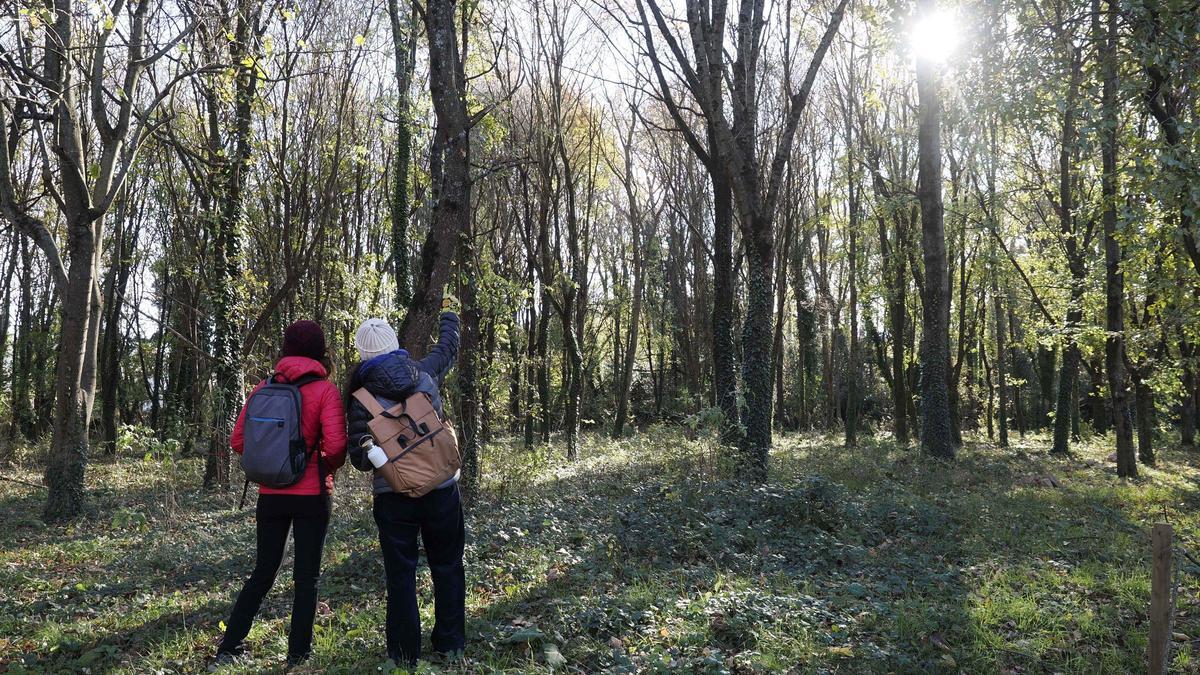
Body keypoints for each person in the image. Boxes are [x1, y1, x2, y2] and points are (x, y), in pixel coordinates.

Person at [216, 320, 347, 667]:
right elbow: (335, 446)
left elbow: (239, 441)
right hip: (312, 495)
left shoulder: (263, 387)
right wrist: (320, 465)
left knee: (263, 572)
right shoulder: (325, 391)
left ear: (286, 349)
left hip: (270, 494)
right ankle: (298, 655)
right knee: (307, 577)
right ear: (321, 351)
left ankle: (229, 647)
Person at [346, 300, 463, 667]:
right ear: (395, 343)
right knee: (447, 565)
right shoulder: (424, 374)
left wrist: (381, 449)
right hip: (442, 487)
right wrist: (450, 318)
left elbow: (361, 460)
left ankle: (404, 655)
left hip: (394, 496)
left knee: (401, 575)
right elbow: (448, 349)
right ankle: (451, 645)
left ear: (363, 353)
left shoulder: (359, 398)